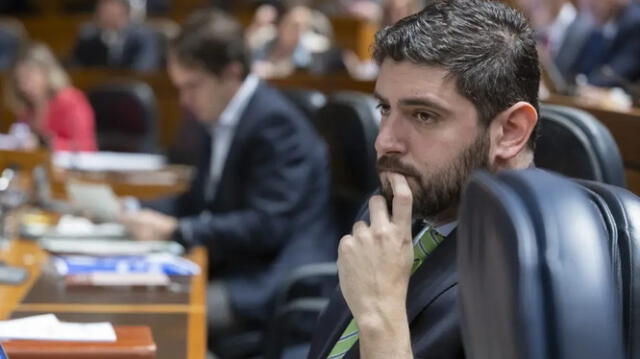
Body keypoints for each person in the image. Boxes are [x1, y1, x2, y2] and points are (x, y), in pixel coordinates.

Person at [307, 0, 540, 358]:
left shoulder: (538, 277)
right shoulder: (391, 210)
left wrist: (380, 317)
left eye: (424, 115)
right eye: (385, 108)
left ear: (510, 131)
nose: (384, 141)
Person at [119, 9, 336, 350]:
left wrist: (176, 230)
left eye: (192, 86)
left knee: (159, 317)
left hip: (273, 280)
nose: (184, 100)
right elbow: (196, 200)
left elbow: (266, 225)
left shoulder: (274, 123)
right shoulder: (218, 116)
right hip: (236, 264)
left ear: (232, 73)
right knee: (137, 298)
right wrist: (130, 209)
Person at [4, 42, 97, 152]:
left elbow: (86, 147)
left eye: (29, 77)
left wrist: (44, 144)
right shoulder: (26, 108)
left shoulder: (71, 101)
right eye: (19, 80)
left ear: (47, 73)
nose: (24, 86)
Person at [69, 0, 161, 71]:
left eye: (112, 4)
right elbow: (76, 66)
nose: (105, 11)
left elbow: (145, 67)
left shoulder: (144, 36)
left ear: (124, 11)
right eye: (103, 5)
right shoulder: (89, 37)